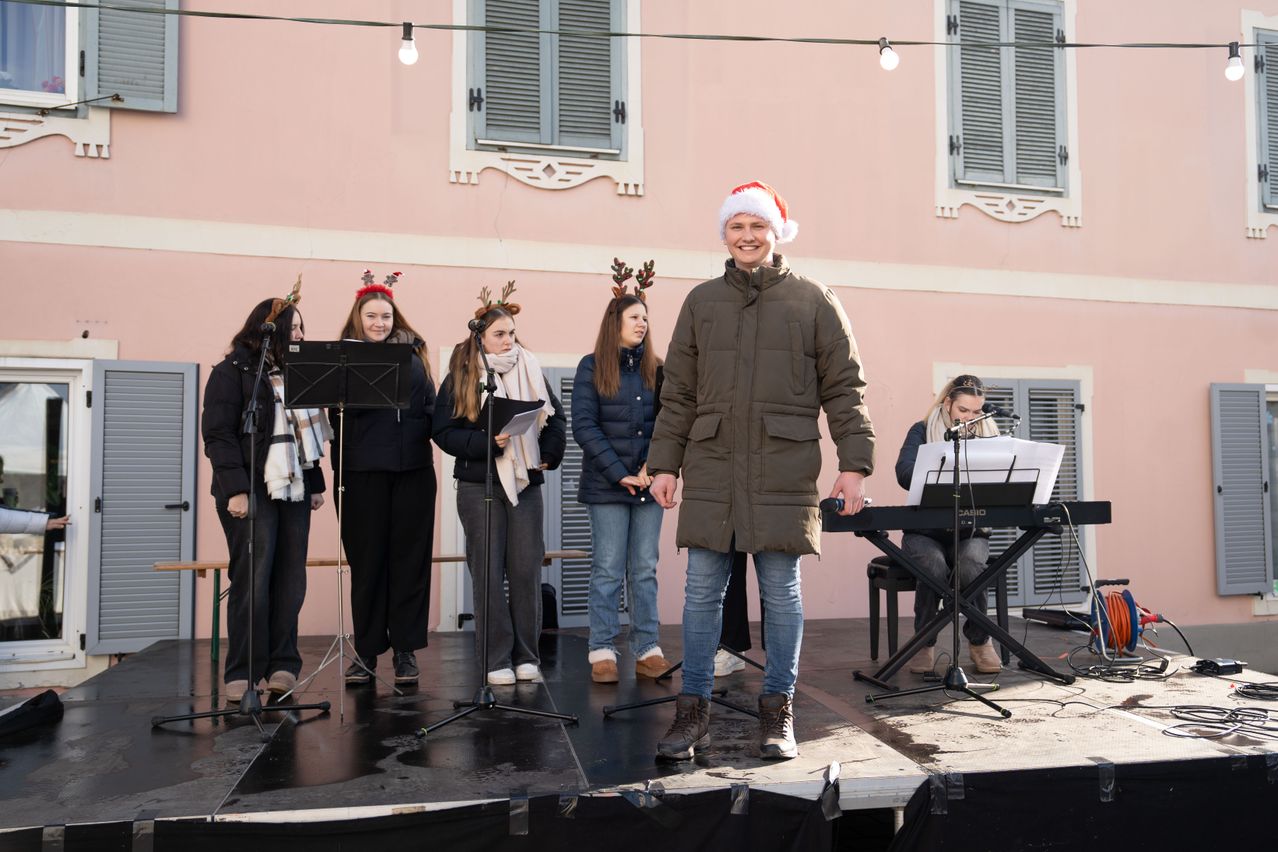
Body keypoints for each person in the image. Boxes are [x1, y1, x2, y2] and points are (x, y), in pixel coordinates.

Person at [648, 181, 875, 761]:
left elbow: (845, 388)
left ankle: (778, 712)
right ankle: (691, 712)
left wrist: (855, 465)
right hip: (715, 464)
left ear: (777, 233)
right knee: (701, 594)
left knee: (782, 593)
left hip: (784, 466)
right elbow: (677, 393)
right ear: (725, 235)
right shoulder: (701, 301)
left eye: (757, 226)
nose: (747, 237)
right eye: (736, 227)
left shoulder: (814, 299)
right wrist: (663, 464)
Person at [433, 283, 566, 686]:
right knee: (488, 573)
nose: (508, 340)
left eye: (511, 332)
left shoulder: (530, 366)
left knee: (525, 570)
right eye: (499, 334)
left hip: (525, 482)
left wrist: (549, 450)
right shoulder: (461, 374)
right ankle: (495, 659)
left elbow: (555, 419)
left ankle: (527, 655)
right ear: (480, 337)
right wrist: (485, 444)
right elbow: (442, 431)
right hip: (479, 485)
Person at [202, 284, 329, 703]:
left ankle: (282, 665)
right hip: (248, 487)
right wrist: (236, 490)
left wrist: (314, 486)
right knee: (252, 581)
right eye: (295, 329)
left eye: (302, 330)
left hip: (293, 485)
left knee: (290, 579)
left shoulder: (300, 373)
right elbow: (218, 435)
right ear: (269, 329)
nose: (299, 336)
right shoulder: (231, 372)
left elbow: (306, 437)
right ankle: (242, 669)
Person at [333, 271, 437, 687]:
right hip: (361, 476)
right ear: (358, 318)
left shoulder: (415, 358)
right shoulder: (340, 359)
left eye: (386, 316)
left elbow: (431, 410)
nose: (380, 323)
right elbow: (333, 419)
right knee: (368, 565)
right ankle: (367, 651)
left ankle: (406, 651)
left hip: (413, 472)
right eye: (372, 316)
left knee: (409, 564)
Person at [571, 259, 670, 684]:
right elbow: (584, 426)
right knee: (608, 568)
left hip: (649, 484)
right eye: (635, 317)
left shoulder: (658, 369)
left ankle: (648, 648)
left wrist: (655, 463)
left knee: (644, 567)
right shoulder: (591, 366)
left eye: (646, 318)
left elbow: (670, 421)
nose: (642, 324)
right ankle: (603, 650)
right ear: (615, 322)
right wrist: (620, 473)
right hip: (608, 486)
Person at [894, 374, 1002, 676]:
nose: (970, 418)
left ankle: (980, 641)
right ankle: (925, 642)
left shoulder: (991, 436)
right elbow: (903, 473)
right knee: (931, 564)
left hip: (971, 530)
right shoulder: (922, 430)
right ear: (947, 405)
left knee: (969, 564)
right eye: (963, 411)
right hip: (924, 531)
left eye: (977, 412)